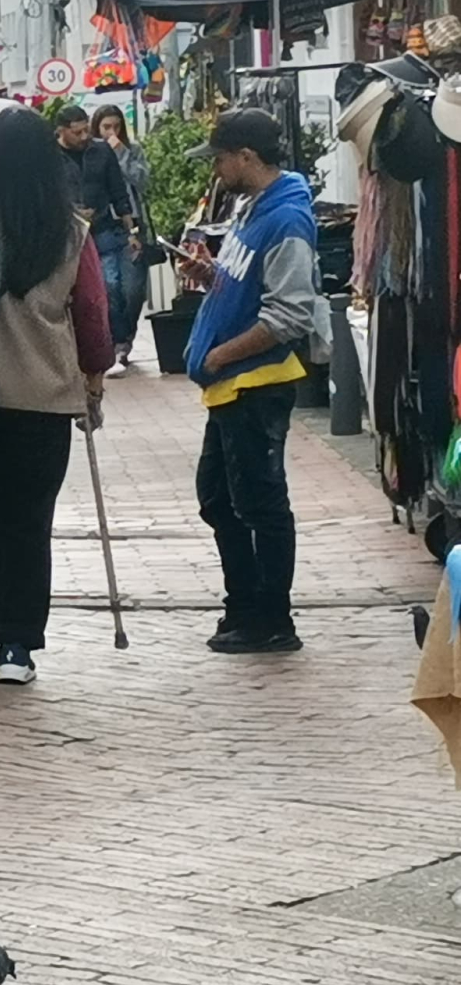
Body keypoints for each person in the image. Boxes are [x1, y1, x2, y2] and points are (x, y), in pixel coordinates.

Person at [0, 111, 113, 685]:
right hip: (42, 397)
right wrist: (94, 375)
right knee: (28, 523)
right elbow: (91, 316)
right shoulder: (71, 233)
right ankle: (17, 645)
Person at [184, 109, 317, 656]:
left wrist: (222, 354)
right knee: (219, 497)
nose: (215, 170)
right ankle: (243, 604)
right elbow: (250, 281)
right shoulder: (253, 209)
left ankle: (270, 617)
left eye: (219, 158)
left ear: (246, 157)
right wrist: (213, 275)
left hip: (255, 384)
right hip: (232, 385)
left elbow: (290, 313)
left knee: (259, 501)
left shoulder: (286, 221)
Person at [59, 107, 140, 379]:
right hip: (71, 233)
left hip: (105, 227)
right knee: (99, 289)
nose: (84, 136)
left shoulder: (101, 151)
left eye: (85, 130)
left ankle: (120, 342)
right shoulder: (51, 156)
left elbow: (118, 189)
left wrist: (132, 227)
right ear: (61, 131)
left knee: (121, 287)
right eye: (77, 132)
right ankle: (108, 345)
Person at [91, 104, 153, 372]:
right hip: (104, 227)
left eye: (116, 126)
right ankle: (119, 343)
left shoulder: (132, 151)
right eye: (106, 127)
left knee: (133, 289)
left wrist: (120, 152)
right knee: (110, 286)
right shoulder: (91, 155)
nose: (111, 132)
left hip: (132, 228)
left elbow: (142, 180)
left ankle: (125, 336)